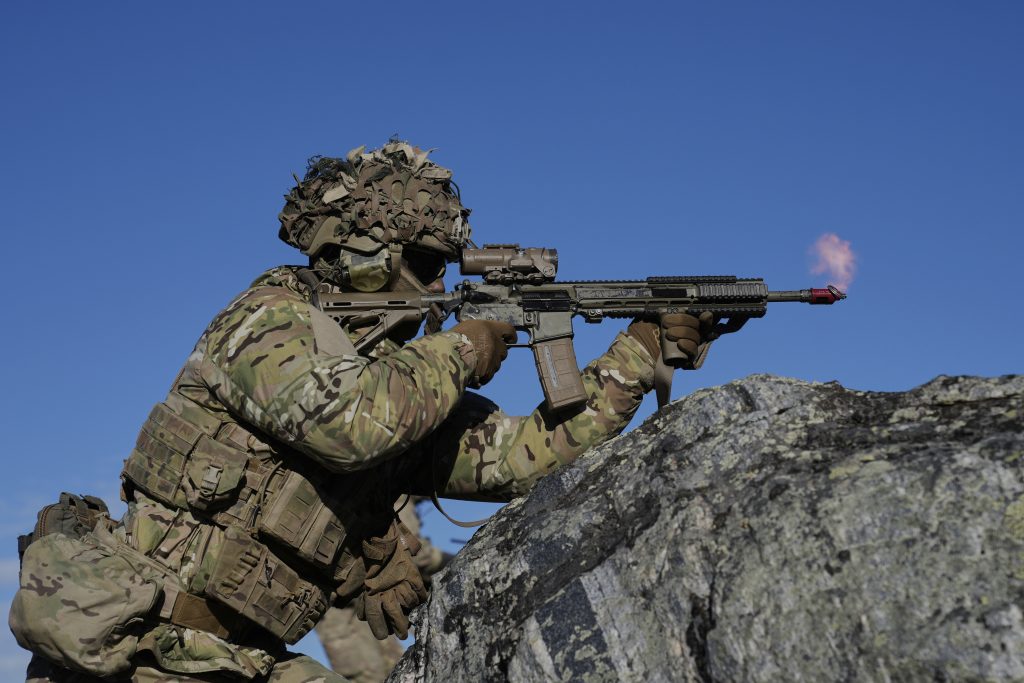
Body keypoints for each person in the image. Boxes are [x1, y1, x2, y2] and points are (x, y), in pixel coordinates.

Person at [10, 142, 713, 682]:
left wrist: (642, 348)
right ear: (367, 253)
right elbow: (346, 425)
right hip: (138, 652)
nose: (439, 287)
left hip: (244, 661)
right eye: (426, 265)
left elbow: (522, 456)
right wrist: (462, 349)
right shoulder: (267, 320)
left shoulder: (402, 384)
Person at [315, 498, 448, 683]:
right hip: (344, 605)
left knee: (388, 666)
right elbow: (416, 557)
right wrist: (449, 562)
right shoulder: (396, 495)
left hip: (365, 600)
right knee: (369, 672)